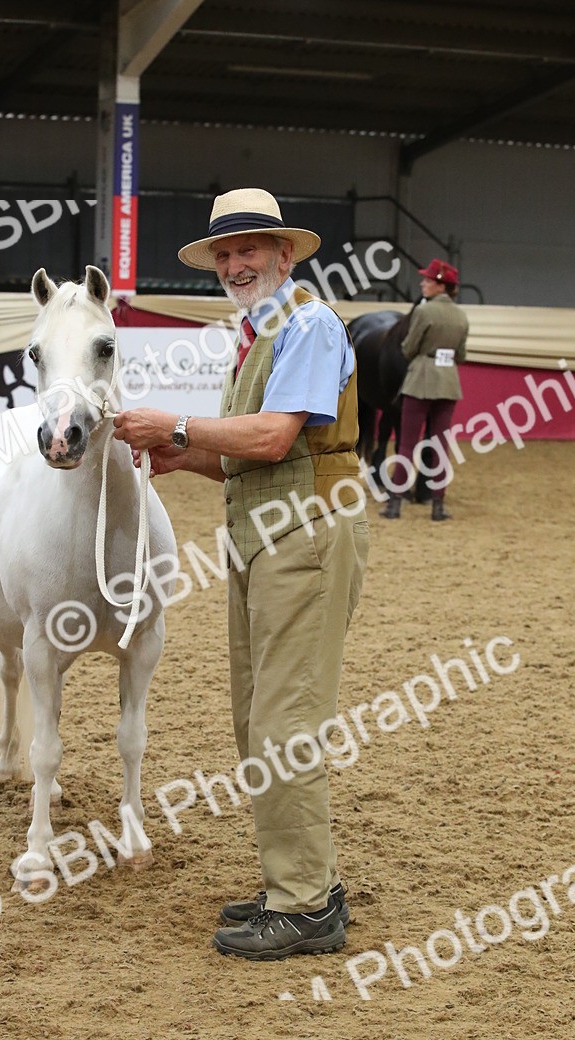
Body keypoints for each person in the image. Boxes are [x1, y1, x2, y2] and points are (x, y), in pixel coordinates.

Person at [111, 187, 369, 961]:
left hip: (304, 537)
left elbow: (272, 437)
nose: (234, 264)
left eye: (247, 249)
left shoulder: (308, 325)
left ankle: (304, 905)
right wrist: (182, 455)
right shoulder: (257, 336)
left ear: (284, 254)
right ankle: (300, 880)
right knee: (260, 718)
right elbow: (249, 456)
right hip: (266, 540)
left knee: (285, 724)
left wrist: (175, 424)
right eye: (223, 254)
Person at [380, 258, 469, 522]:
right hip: (449, 383)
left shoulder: (424, 311)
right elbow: (461, 355)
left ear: (441, 285)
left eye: (428, 280)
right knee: (440, 447)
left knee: (407, 444)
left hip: (421, 380)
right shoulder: (461, 316)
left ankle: (395, 503)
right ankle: (437, 505)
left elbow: (408, 348)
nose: (423, 284)